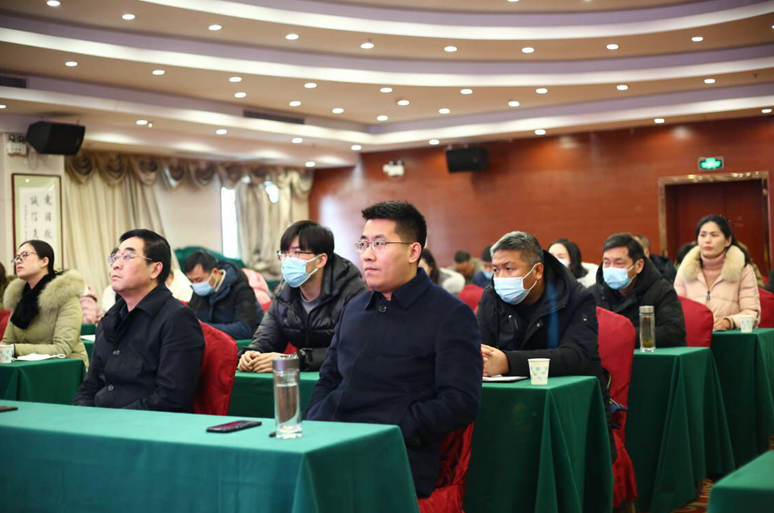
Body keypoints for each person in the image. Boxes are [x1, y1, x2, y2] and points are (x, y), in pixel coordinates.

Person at [306, 201, 482, 498]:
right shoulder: (355, 307)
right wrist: (315, 419)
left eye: (380, 244)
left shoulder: (449, 315)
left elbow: (460, 402)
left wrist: (396, 426)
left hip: (393, 454)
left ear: (414, 252)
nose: (367, 254)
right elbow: (329, 377)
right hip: (329, 440)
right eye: (363, 244)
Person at [476, 231, 615, 459]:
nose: (500, 278)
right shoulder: (492, 296)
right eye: (495, 270)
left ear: (537, 271)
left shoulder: (576, 297)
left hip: (569, 405)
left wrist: (508, 362)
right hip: (508, 404)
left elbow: (575, 356)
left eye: (509, 269)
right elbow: (480, 348)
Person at [74, 229, 204, 412]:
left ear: (155, 269)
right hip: (101, 420)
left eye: (127, 257)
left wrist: (112, 420)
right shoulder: (110, 318)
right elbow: (89, 386)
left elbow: (171, 397)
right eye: (115, 258)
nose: (116, 265)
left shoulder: (178, 319)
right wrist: (83, 415)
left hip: (146, 424)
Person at [238, 221, 367, 372]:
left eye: (297, 253)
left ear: (320, 260)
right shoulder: (283, 295)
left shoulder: (353, 292)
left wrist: (295, 360)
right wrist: (252, 353)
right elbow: (266, 339)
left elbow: (352, 349)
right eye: (284, 253)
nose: (288, 259)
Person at [1, 240, 88, 367]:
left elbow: (62, 349)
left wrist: (15, 349)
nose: (18, 261)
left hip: (67, 367)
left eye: (24, 255)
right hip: (28, 367)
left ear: (44, 261)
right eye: (17, 257)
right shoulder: (19, 296)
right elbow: (7, 342)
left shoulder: (65, 296)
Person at [590, 233, 686, 347]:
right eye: (606, 263)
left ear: (638, 266)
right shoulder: (593, 293)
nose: (611, 269)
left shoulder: (662, 290)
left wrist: (624, 335)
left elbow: (674, 332)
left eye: (619, 263)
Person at [674, 215, 761, 330]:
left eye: (714, 235)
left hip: (730, 336)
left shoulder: (743, 269)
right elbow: (674, 312)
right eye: (703, 235)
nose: (707, 240)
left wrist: (729, 322)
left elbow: (752, 314)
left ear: (728, 241)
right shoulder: (685, 270)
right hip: (694, 336)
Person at [184, 251, 262, 340]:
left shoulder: (240, 288)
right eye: (191, 281)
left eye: (198, 280)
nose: (196, 285)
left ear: (215, 272)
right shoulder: (199, 290)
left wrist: (205, 328)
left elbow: (245, 329)